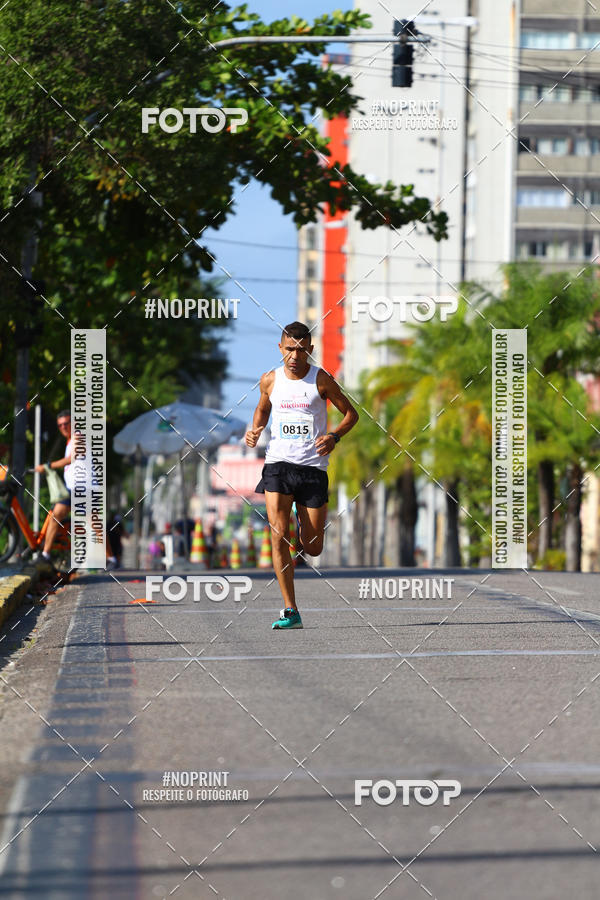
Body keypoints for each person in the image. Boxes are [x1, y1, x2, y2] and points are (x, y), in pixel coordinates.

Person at [245, 321, 358, 629]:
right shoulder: (270, 380)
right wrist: (254, 430)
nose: (294, 356)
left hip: (312, 469)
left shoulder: (321, 380)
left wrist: (334, 437)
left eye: (301, 349)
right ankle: (290, 609)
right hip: (278, 466)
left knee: (312, 547)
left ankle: (303, 518)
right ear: (280, 349)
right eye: (289, 349)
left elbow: (352, 414)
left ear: (310, 349)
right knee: (278, 534)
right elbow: (262, 410)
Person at [35, 410, 117, 570]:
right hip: (76, 488)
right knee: (68, 518)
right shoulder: (69, 442)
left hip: (83, 487)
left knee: (76, 519)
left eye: (66, 423)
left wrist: (48, 466)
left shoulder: (78, 437)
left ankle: (45, 555)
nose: (64, 427)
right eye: (60, 425)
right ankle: (111, 559)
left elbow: (72, 458)